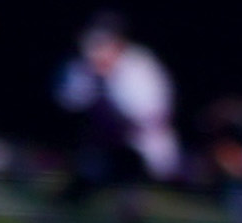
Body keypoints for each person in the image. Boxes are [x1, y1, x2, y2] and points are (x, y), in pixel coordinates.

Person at [55, 14, 178, 206]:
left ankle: (130, 200)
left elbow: (149, 116)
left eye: (103, 44)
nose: (96, 51)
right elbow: (69, 101)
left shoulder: (140, 66)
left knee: (128, 165)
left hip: (141, 148)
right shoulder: (85, 68)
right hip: (101, 145)